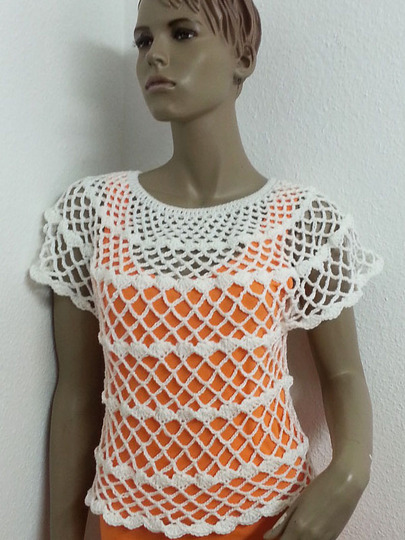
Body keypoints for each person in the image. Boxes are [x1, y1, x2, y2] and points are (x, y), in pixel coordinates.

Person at [30, 0, 383, 539]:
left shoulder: (305, 221)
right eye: (143, 41)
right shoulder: (93, 213)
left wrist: (351, 472)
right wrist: (61, 530)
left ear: (243, 57)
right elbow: (77, 392)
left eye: (182, 33)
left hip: (271, 514)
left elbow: (344, 376)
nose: (155, 55)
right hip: (127, 515)